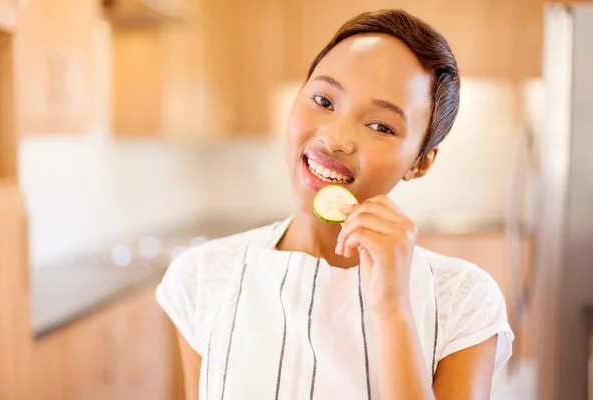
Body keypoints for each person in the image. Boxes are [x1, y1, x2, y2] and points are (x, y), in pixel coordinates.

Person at [156, 8, 513, 400]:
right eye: (324, 100)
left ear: (420, 162)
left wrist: (392, 309)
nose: (336, 138)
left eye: (380, 126)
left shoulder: (463, 301)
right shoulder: (204, 277)